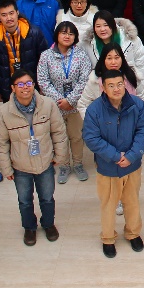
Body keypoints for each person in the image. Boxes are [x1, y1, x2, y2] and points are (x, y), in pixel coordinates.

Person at [0, 70, 69, 246]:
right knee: (25, 201)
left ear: (34, 85)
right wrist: (6, 168)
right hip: (20, 166)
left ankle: (48, 224)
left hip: (45, 162)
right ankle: (29, 228)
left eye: (28, 83)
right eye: (20, 84)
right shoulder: (3, 113)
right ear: (13, 88)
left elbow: (59, 131)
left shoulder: (48, 105)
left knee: (47, 198)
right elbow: (0, 143)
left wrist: (59, 155)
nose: (25, 87)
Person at [83, 71, 144, 258]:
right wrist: (114, 156)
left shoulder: (137, 105)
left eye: (119, 84)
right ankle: (108, 238)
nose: (116, 89)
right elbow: (91, 138)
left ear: (125, 84)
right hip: (108, 167)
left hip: (132, 165)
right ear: (103, 88)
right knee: (108, 204)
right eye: (111, 85)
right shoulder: (94, 109)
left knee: (132, 202)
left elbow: (143, 130)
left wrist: (132, 155)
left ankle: (133, 233)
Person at [35, 22, 90, 185]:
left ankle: (78, 164)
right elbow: (43, 81)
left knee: (77, 136)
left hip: (75, 105)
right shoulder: (46, 56)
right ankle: (64, 166)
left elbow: (85, 79)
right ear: (57, 35)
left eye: (71, 34)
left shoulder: (81, 55)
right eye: (64, 33)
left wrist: (70, 100)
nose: (67, 36)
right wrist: (60, 101)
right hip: (55, 107)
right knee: (60, 137)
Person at [0, 0, 51, 104]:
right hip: (6, 89)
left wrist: (42, 87)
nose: (9, 18)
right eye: (4, 15)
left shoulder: (34, 33)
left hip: (31, 87)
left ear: (17, 13)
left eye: (11, 13)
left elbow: (44, 62)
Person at [83, 11, 144, 104]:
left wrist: (141, 85)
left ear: (113, 25)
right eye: (98, 26)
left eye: (106, 25)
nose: (102, 29)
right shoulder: (89, 44)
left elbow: (142, 61)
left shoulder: (129, 39)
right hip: (101, 89)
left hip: (130, 84)